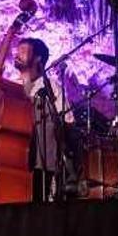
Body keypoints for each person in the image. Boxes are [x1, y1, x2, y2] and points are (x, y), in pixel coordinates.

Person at [12, 38, 74, 202]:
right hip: (16, 161)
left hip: (44, 164)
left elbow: (68, 122)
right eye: (17, 51)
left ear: (38, 58)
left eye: (23, 51)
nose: (17, 54)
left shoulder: (52, 89)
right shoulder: (11, 85)